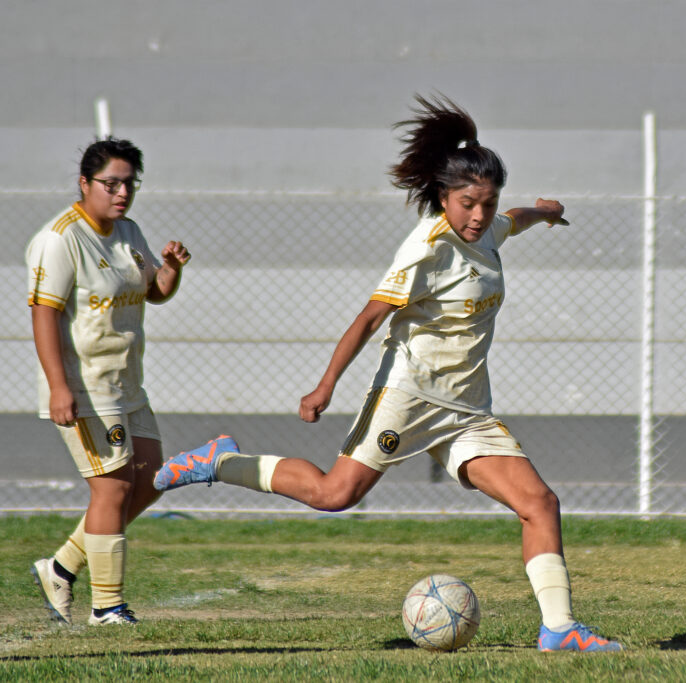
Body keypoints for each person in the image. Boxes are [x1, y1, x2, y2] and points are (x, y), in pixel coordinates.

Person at [154, 95, 623, 653]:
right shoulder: (425, 248)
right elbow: (370, 317)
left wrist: (544, 212)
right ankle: (220, 461)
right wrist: (325, 385)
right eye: (468, 203)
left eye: (488, 203)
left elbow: (512, 223)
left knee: (539, 503)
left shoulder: (490, 228)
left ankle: (559, 629)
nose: (479, 215)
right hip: (408, 397)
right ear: (444, 197)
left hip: (465, 410)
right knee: (334, 495)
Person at [26, 137, 191, 626]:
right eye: (111, 183)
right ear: (85, 183)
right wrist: (60, 387)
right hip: (85, 387)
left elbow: (153, 291)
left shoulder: (128, 231)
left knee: (152, 477)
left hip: (127, 384)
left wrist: (172, 271)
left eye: (129, 184)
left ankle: (60, 567)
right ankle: (108, 607)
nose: (122, 193)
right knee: (114, 488)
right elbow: (43, 315)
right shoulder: (60, 238)